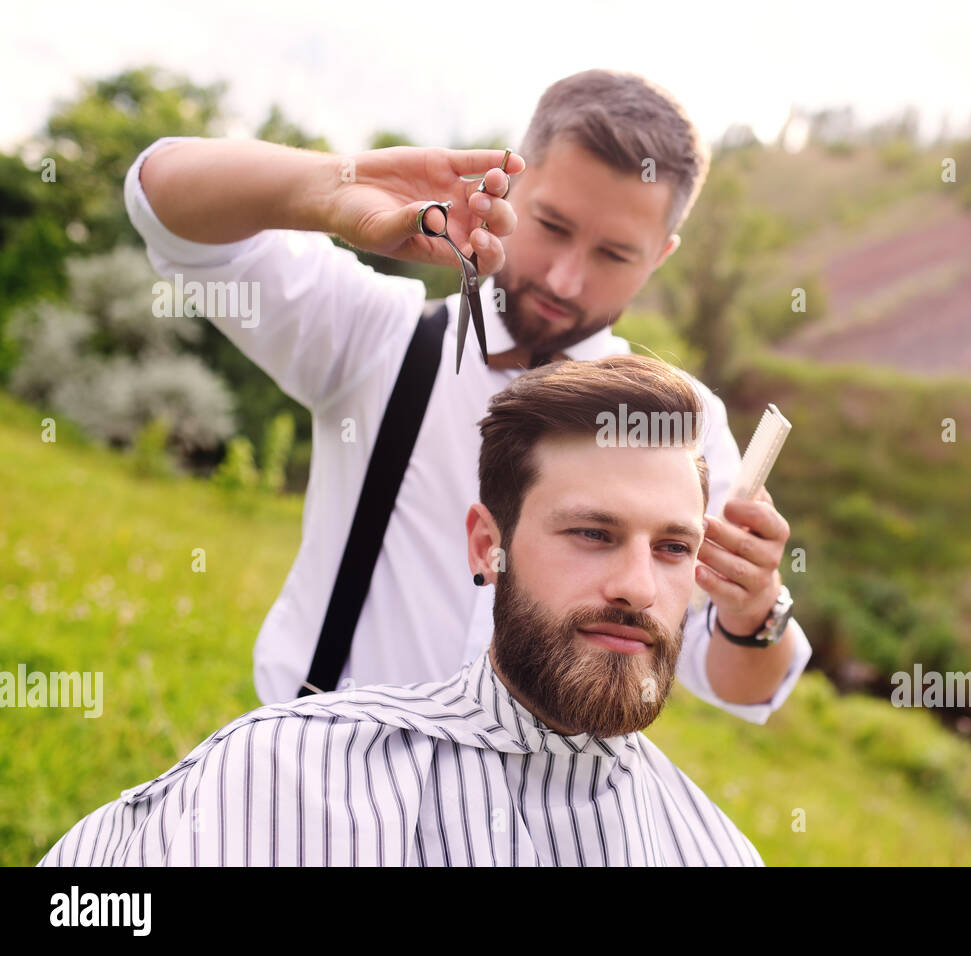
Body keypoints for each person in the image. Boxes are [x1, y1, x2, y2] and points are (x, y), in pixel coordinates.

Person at [125, 68, 810, 721]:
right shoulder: (378, 336)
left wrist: (753, 612)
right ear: (510, 185)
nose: (566, 281)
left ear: (660, 256)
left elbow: (739, 688)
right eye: (554, 227)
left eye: (614, 254)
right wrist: (340, 183)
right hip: (319, 784)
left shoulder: (678, 426)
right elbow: (162, 203)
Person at [39, 356, 762, 866]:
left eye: (672, 548)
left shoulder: (720, 852)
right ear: (487, 545)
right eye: (593, 534)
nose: (638, 586)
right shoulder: (281, 778)